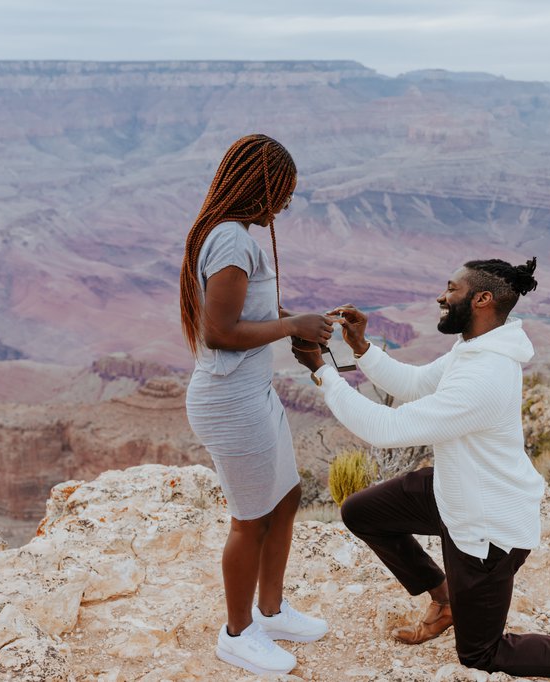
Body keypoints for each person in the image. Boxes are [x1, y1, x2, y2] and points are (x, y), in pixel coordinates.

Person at [292, 258, 550, 681]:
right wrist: (361, 347)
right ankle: (445, 598)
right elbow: (414, 385)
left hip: (488, 524)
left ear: (482, 299)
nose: (441, 296)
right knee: (362, 512)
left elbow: (385, 427)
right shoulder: (475, 348)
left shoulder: (485, 376)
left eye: (451, 288)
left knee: (480, 654)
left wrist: (322, 371)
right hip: (456, 489)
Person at [180, 134, 331, 676]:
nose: (285, 204)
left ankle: (271, 611)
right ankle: (238, 633)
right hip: (229, 400)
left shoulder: (240, 236)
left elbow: (252, 308)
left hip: (253, 392)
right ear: (258, 185)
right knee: (250, 519)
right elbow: (218, 331)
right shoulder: (227, 240)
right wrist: (291, 326)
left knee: (286, 498)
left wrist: (298, 321)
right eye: (283, 191)